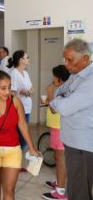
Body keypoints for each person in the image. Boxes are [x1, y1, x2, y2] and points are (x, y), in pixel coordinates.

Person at [0, 70, 38, 200]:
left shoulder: (15, 101)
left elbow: (23, 125)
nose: (7, 91)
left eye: (9, 87)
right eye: (3, 88)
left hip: (13, 150)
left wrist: (32, 147)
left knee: (9, 190)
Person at [49, 38, 93, 200]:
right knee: (76, 188)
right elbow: (60, 90)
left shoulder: (90, 79)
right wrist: (62, 99)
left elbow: (64, 107)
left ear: (85, 59)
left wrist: (59, 101)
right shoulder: (77, 74)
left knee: (78, 191)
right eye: (64, 59)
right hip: (73, 141)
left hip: (82, 145)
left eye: (70, 60)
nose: (66, 64)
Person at [41, 65, 70, 200]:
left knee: (60, 159)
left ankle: (60, 192)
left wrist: (50, 92)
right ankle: (59, 183)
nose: (52, 78)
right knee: (59, 158)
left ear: (59, 78)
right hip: (56, 127)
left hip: (59, 127)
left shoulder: (64, 91)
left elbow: (54, 109)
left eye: (54, 76)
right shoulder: (61, 89)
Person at [8, 50, 33, 150]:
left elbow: (32, 88)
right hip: (18, 108)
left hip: (27, 106)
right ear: (20, 60)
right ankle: (17, 153)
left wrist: (28, 92)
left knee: (23, 132)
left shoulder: (25, 73)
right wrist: (21, 92)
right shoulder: (14, 73)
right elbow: (12, 92)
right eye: (27, 57)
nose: (28, 59)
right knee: (21, 133)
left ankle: (18, 152)